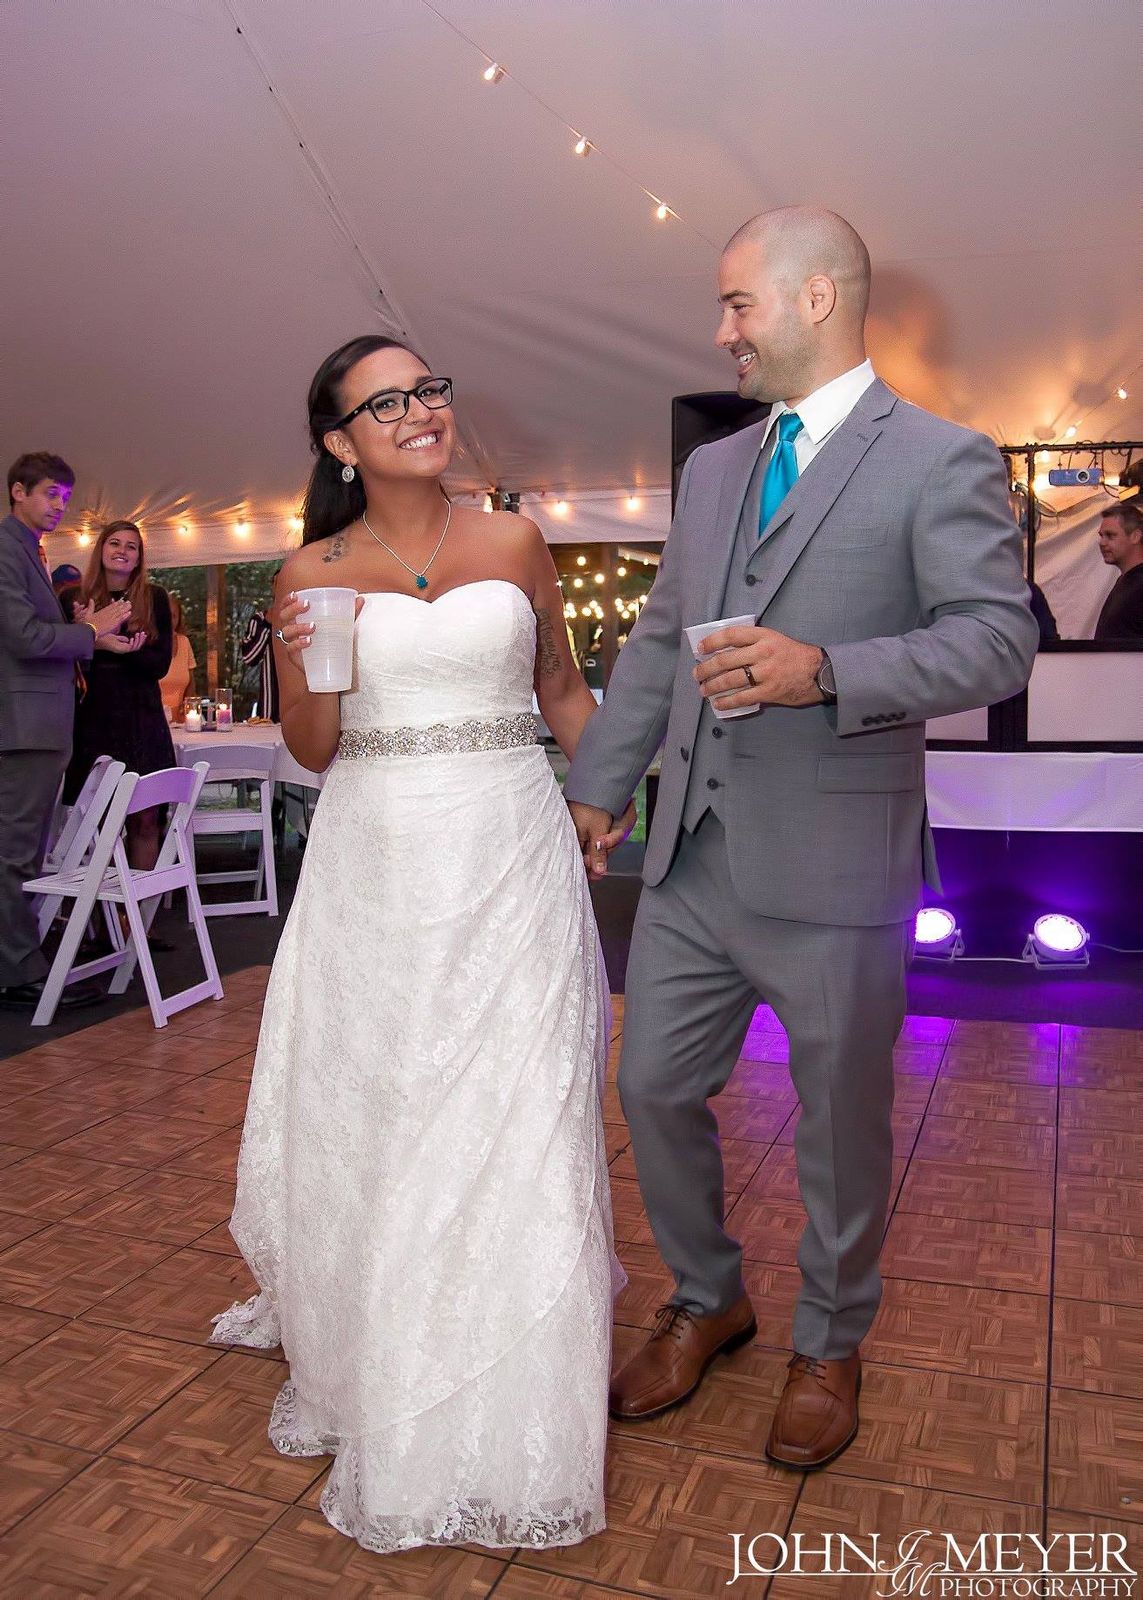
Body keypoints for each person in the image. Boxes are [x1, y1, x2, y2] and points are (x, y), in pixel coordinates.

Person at [565, 206, 1039, 1471]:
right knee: (652, 1087)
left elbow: (998, 640)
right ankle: (707, 1295)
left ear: (816, 297)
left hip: (835, 866)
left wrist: (825, 669)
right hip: (691, 856)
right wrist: (600, 786)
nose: (721, 330)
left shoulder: (941, 458)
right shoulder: (715, 468)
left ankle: (831, 1340)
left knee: (838, 1126)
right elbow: (660, 639)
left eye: (738, 303)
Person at [211, 335, 631, 1554]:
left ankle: (524, 1389)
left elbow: (562, 690)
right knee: (393, 1103)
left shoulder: (513, 540)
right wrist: (319, 659)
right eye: (385, 402)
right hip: (379, 859)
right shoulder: (311, 568)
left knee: (525, 1104)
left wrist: (610, 789)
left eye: (428, 390)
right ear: (340, 441)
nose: (419, 412)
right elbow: (312, 747)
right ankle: (389, 1357)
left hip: (513, 848)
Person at [0, 453, 131, 1010]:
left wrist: (87, 635)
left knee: (28, 850)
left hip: (40, 723)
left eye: (65, 497)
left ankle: (20, 960)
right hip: (23, 725)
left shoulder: (30, 550)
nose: (60, 505)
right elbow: (24, 637)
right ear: (18, 491)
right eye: (51, 494)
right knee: (15, 853)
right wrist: (88, 631)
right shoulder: (6, 549)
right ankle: (16, 972)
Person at [60, 521, 176, 870]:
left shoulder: (154, 598)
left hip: (142, 723)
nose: (122, 550)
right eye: (114, 543)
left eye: (131, 546)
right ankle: (99, 903)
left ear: (139, 557)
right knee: (94, 826)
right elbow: (65, 664)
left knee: (146, 820)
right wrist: (90, 636)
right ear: (101, 549)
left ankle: (138, 905)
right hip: (92, 724)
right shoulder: (73, 599)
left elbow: (159, 665)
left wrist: (119, 650)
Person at [1094, 499, 1143, 641]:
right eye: (1101, 536)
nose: (1102, 542)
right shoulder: (1125, 581)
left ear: (1135, 536)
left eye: (1110, 535)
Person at [159, 593, 197, 718]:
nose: (169, 621)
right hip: (154, 717)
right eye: (165, 615)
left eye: (174, 616)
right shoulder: (147, 644)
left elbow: (191, 683)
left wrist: (187, 708)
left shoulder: (184, 642)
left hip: (181, 719)